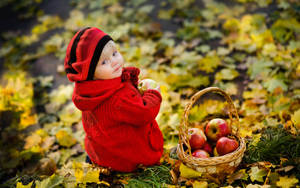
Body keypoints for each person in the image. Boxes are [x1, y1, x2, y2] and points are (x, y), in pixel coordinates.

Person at [64, 27, 164, 172]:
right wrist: (152, 93)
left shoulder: (90, 93)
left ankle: (95, 161)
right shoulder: (118, 98)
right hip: (127, 159)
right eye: (104, 62)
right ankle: (129, 171)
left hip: (102, 152)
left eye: (115, 53)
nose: (114, 61)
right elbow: (144, 113)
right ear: (90, 73)